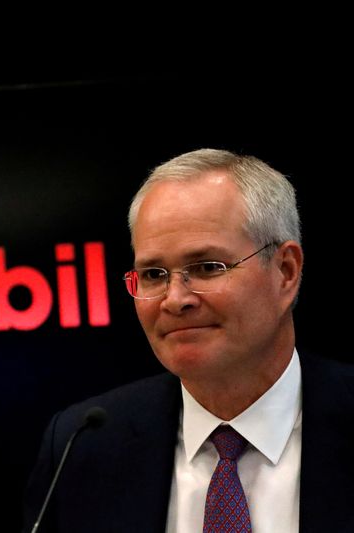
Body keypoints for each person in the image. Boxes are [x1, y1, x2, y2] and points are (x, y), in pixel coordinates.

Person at [22, 148, 353, 532]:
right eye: (153, 274)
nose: (175, 299)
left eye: (208, 267)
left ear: (285, 271)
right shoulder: (81, 446)